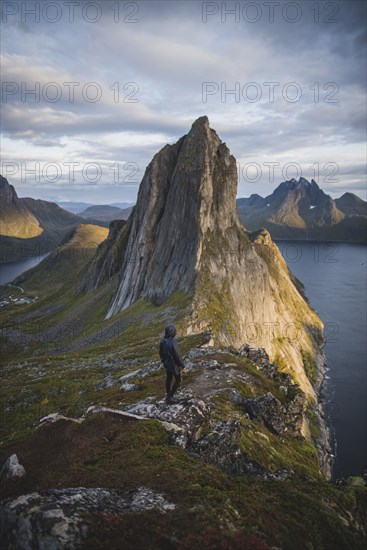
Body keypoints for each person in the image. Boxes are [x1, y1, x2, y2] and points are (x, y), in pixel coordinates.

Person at [159, 323, 186, 402]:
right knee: (178, 380)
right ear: (172, 332)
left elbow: (161, 353)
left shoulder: (163, 341)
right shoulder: (173, 342)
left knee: (169, 379)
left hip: (167, 364)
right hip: (173, 365)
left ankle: (168, 393)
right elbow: (177, 356)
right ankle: (170, 396)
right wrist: (183, 366)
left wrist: (164, 361)